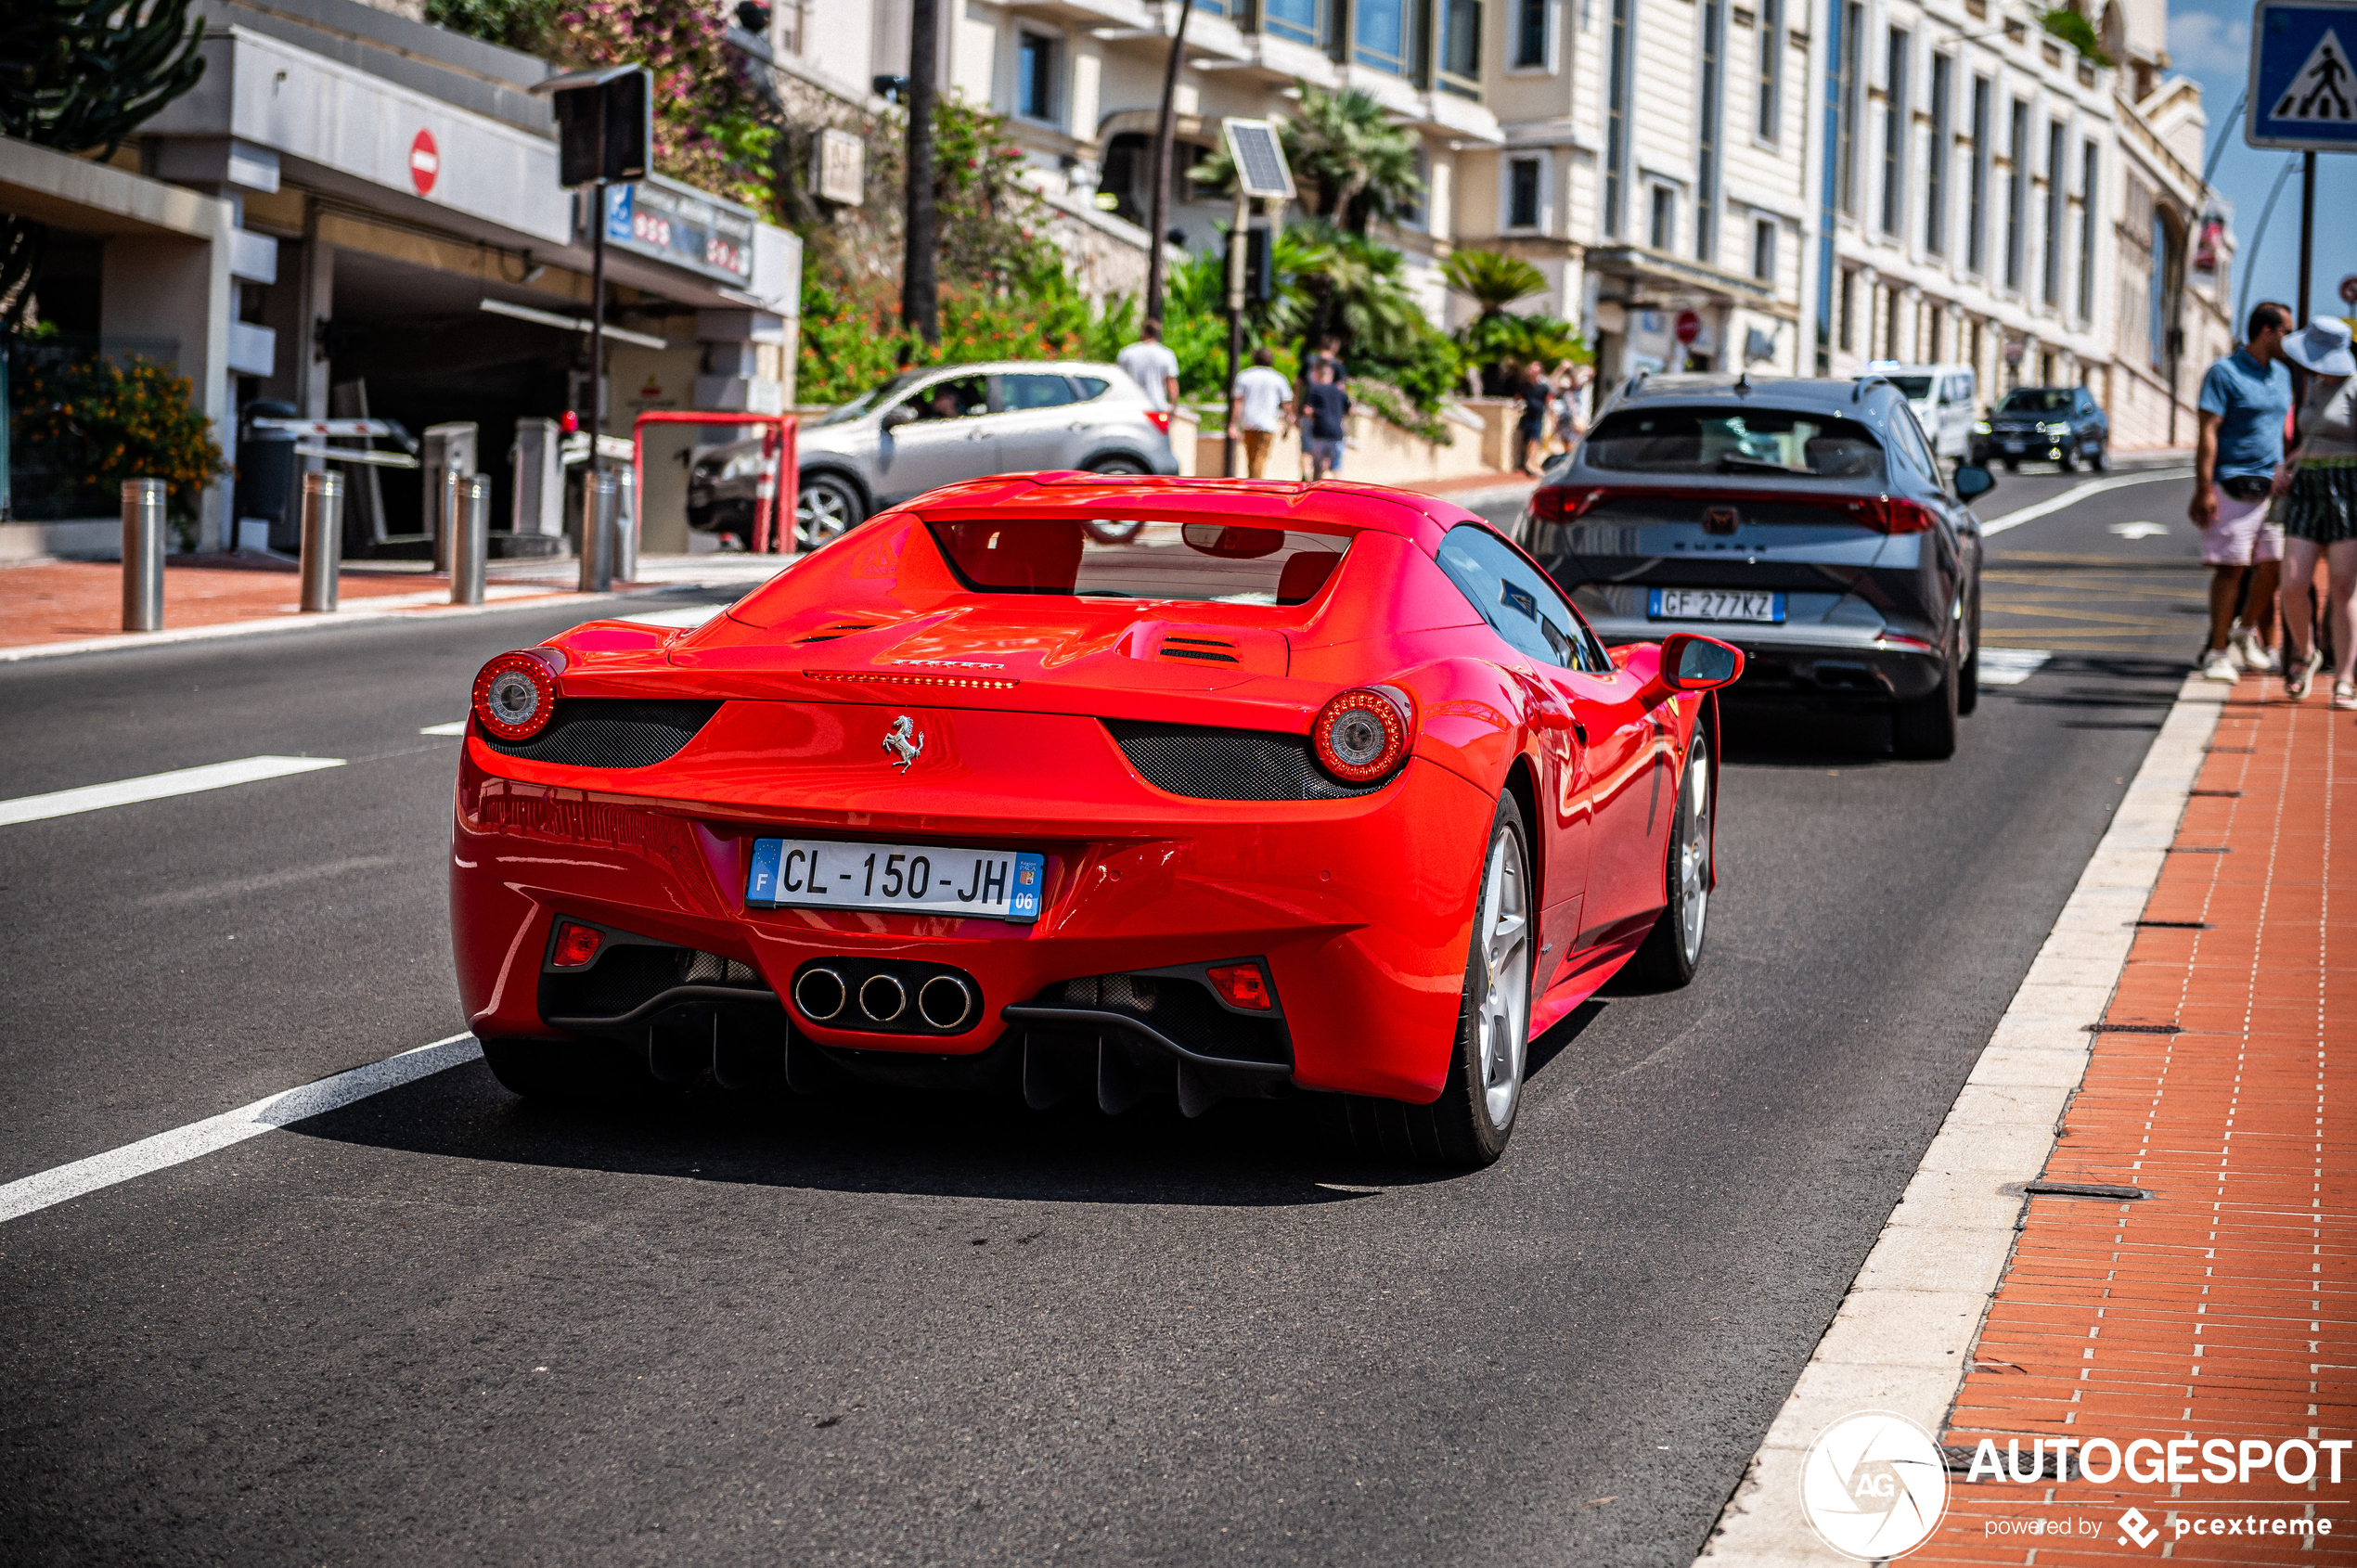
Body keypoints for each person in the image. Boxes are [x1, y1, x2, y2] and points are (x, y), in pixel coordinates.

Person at [2191, 302, 2297, 683]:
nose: (2291, 339)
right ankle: (2217, 653)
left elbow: (2284, 430)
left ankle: (2244, 628)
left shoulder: (2283, 375)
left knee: (2277, 565)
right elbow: (2207, 431)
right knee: (2231, 569)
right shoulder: (2224, 373)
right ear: (2266, 331)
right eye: (2287, 331)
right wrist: (2203, 487)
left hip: (2272, 486)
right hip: (2231, 484)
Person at [2274, 315, 2357, 706]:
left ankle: (2344, 677)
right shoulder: (2313, 386)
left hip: (2348, 489)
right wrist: (2286, 465)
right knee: (2292, 581)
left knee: (2343, 587)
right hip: (2307, 486)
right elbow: (2311, 440)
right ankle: (2306, 654)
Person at [1230, 347, 1292, 479]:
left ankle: (1253, 486)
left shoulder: (1244, 376)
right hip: (1267, 424)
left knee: (1252, 459)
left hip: (1249, 422)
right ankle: (1256, 488)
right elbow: (1287, 404)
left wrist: (1233, 424)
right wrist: (1288, 425)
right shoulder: (1279, 378)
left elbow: (1237, 402)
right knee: (1259, 458)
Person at [1297, 360, 1350, 481]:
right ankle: (1338, 491)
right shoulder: (1339, 391)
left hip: (1320, 431)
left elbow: (1307, 410)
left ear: (1317, 373)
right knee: (1336, 467)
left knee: (1318, 466)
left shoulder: (1314, 388)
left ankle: (1315, 489)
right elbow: (1350, 410)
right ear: (1331, 375)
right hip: (1337, 433)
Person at [1116, 318, 1180, 413]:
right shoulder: (1167, 355)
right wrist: (1173, 408)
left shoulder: (1126, 353)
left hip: (1131, 407)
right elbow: (1171, 385)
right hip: (1156, 406)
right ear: (1157, 335)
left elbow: (1118, 381)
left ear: (1144, 332)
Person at [1515, 361, 1551, 476]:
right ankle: (1528, 463)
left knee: (1534, 440)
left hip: (1537, 417)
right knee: (1527, 441)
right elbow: (1518, 399)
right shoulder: (1524, 386)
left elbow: (1549, 402)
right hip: (1527, 417)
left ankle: (1530, 463)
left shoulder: (1543, 388)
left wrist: (1552, 417)